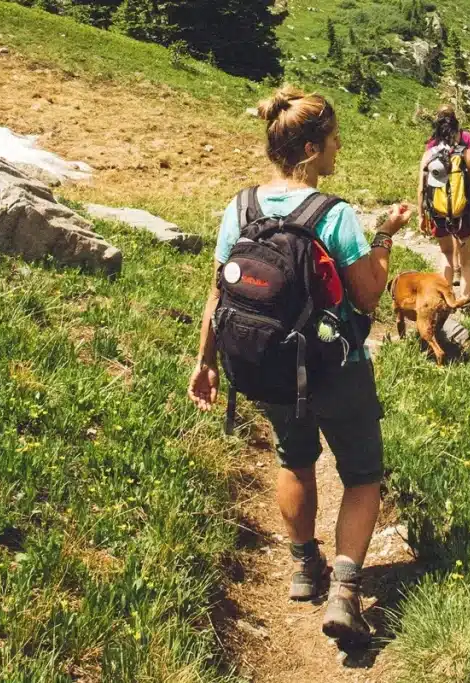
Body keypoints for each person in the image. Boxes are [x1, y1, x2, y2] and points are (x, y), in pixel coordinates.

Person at [188, 84, 412, 644]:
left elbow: (219, 291)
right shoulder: (332, 215)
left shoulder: (240, 208)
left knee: (295, 459)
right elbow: (366, 296)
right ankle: (344, 590)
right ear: (311, 148)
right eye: (334, 141)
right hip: (336, 366)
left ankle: (301, 565)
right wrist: (385, 236)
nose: (339, 150)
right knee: (362, 476)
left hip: (266, 364)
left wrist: (205, 363)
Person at [417, 105, 470, 300]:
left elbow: (421, 189)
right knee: (466, 262)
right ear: (457, 128)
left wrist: (420, 215)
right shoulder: (466, 152)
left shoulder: (429, 154)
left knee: (446, 254)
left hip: (438, 213)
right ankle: (465, 301)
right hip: (463, 213)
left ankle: (445, 301)